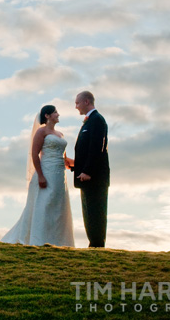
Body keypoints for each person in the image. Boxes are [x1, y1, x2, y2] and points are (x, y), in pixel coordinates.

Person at [0, 105, 74, 247]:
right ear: (47, 115)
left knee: (58, 205)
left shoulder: (60, 134)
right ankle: (39, 238)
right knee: (44, 203)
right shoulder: (41, 132)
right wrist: (40, 175)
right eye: (55, 112)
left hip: (60, 174)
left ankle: (57, 240)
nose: (58, 114)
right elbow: (35, 154)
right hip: (46, 172)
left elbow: (64, 157)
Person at [64, 91, 109, 248]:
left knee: (96, 212)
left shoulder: (97, 120)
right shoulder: (89, 122)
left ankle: (97, 245)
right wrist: (74, 165)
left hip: (95, 179)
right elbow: (87, 152)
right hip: (86, 178)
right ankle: (94, 244)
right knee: (89, 213)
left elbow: (98, 148)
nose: (75, 107)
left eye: (77, 103)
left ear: (87, 101)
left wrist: (88, 171)